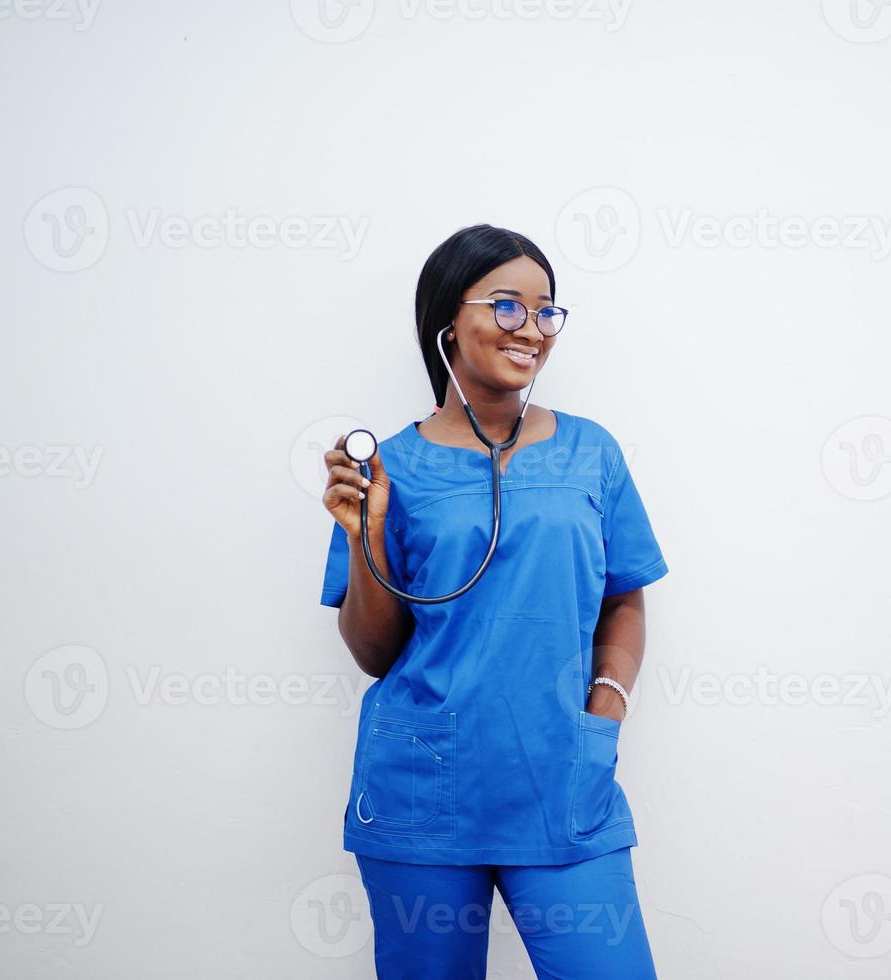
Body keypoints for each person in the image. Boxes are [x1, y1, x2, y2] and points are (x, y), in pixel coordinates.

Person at [317, 224, 667, 979]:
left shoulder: (591, 451)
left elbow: (624, 597)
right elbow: (374, 652)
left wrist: (602, 709)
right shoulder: (390, 469)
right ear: (448, 322)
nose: (532, 330)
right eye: (508, 307)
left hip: (563, 781)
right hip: (422, 794)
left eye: (546, 312)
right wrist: (366, 533)